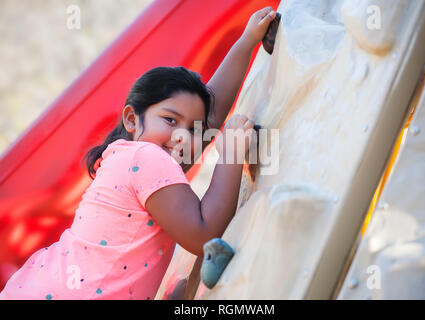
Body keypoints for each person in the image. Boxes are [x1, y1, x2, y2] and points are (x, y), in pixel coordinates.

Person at [0, 7, 277, 300]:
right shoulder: (145, 158)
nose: (183, 135)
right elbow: (204, 234)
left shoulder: (133, 158)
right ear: (132, 119)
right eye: (170, 120)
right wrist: (232, 153)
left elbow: (212, 116)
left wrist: (247, 40)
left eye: (194, 130)